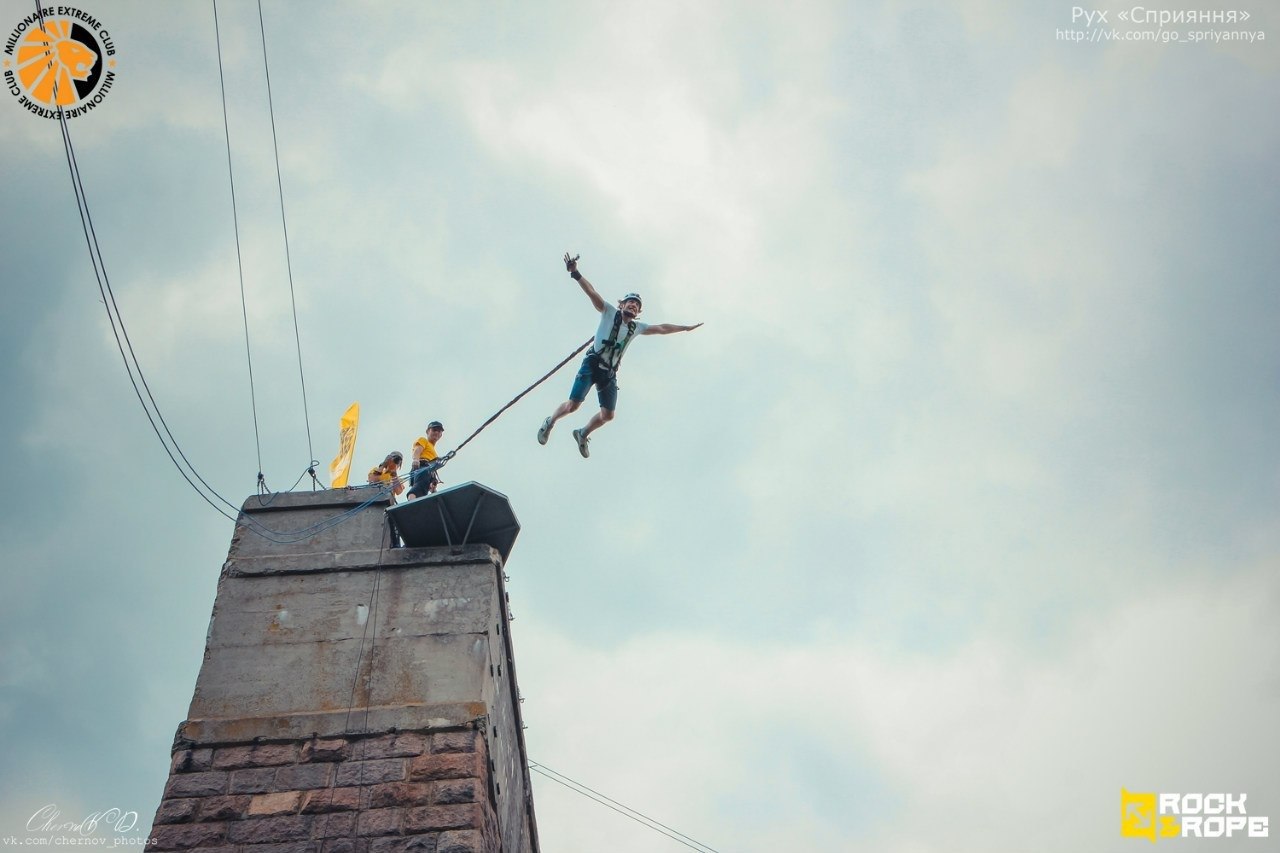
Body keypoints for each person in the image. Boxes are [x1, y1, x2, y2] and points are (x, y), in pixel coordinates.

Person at [537, 253, 702, 458]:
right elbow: (591, 292)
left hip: (609, 373)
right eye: (630, 302)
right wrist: (575, 272)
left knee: (608, 415)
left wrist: (685, 328)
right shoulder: (607, 311)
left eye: (636, 305)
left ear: (638, 311)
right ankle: (550, 422)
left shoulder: (637, 327)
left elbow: (661, 328)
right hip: (592, 364)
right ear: (621, 304)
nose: (633, 306)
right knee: (573, 405)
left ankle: (582, 433)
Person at [406, 421, 445, 498]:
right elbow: (417, 450)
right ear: (427, 431)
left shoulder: (433, 451)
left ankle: (417, 504)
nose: (436, 432)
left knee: (424, 490)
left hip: (429, 470)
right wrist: (416, 460)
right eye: (434, 430)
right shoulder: (423, 440)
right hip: (422, 466)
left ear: (441, 434)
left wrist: (432, 482)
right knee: (419, 486)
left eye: (439, 431)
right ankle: (411, 500)